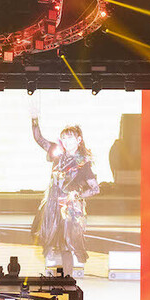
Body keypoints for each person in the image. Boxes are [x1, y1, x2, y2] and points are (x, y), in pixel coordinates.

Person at [28, 99, 100, 276]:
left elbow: (95, 189)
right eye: (64, 138)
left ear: (79, 140)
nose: (67, 141)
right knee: (49, 239)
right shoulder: (57, 153)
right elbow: (39, 139)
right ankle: (51, 276)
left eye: (71, 138)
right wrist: (34, 119)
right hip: (52, 204)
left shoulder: (83, 163)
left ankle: (68, 279)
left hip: (69, 209)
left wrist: (77, 195)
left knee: (66, 245)